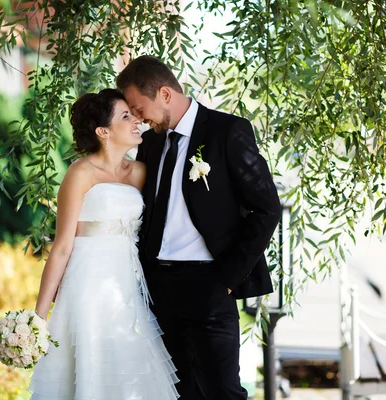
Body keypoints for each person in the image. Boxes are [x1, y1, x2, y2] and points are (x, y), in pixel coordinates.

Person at [117, 55, 282, 400]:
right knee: (175, 393)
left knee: (223, 393)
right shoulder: (151, 143)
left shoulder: (228, 131)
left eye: (138, 107)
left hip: (209, 284)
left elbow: (266, 209)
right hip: (158, 287)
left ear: (164, 93)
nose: (137, 117)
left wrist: (227, 278)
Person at [28, 88, 179, 399]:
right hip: (87, 286)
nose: (136, 120)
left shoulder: (139, 172)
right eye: (126, 116)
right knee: (89, 372)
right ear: (103, 132)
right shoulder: (80, 173)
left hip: (124, 287)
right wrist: (37, 319)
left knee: (131, 375)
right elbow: (62, 247)